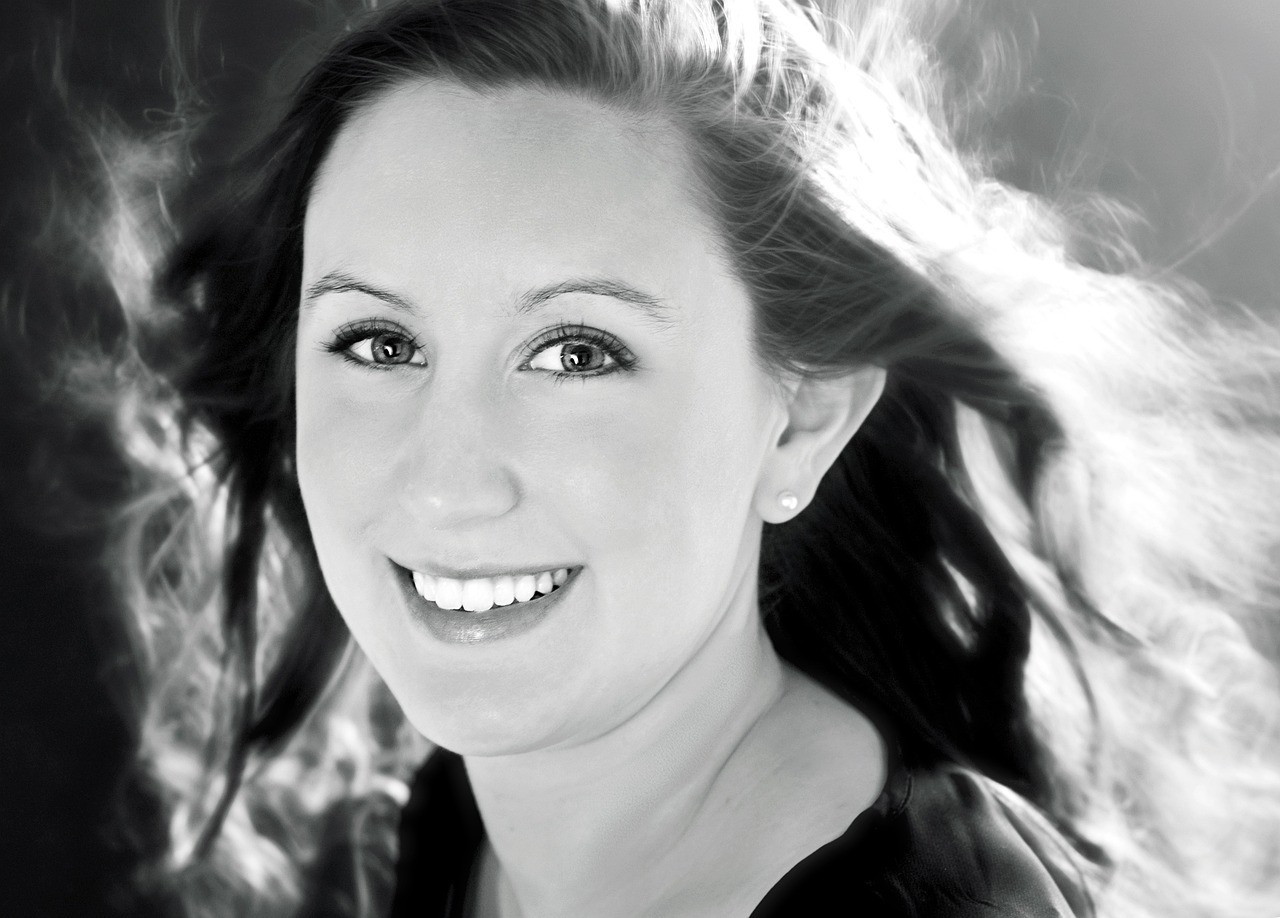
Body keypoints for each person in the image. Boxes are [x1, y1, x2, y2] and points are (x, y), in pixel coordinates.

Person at [74, 0, 1280, 916]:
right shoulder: (450, 831)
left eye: (576, 354)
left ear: (802, 421)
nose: (445, 479)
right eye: (379, 343)